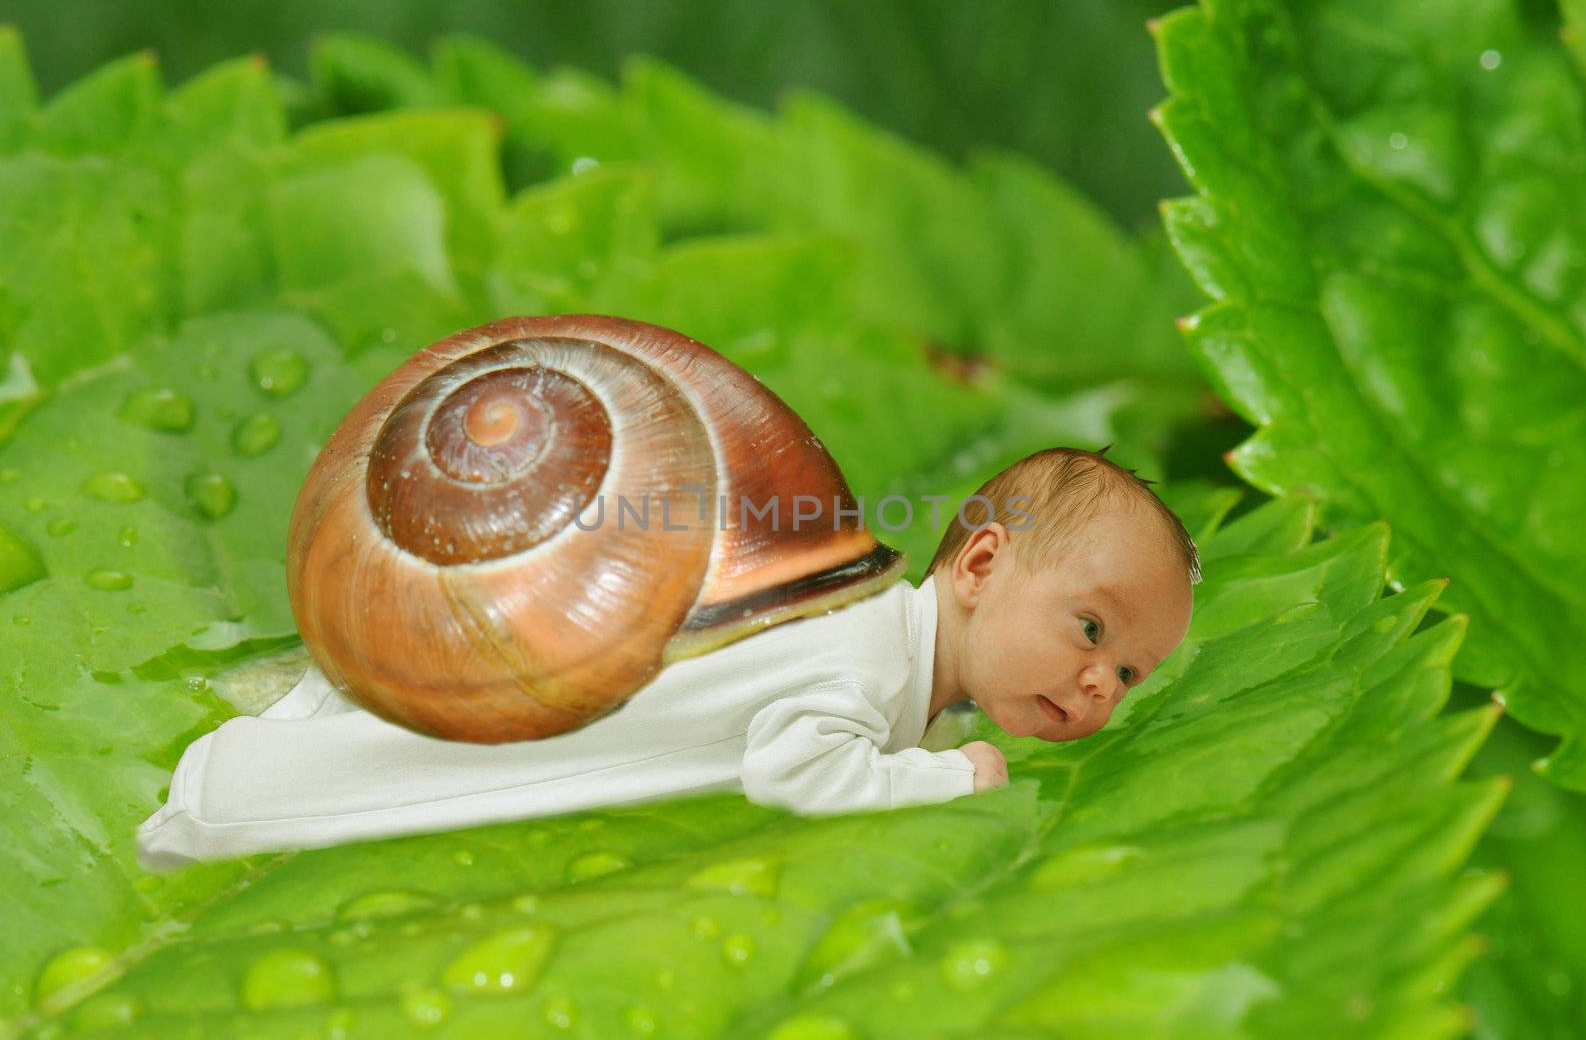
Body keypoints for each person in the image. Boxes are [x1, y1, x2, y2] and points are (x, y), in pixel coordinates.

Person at [135, 447, 1198, 870]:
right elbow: (797, 768)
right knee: (413, 774)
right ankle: (230, 786)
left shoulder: (881, 647)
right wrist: (945, 777)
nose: (1103, 682)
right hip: (568, 705)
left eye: (1134, 673)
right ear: (977, 564)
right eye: (1092, 630)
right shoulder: (869, 655)